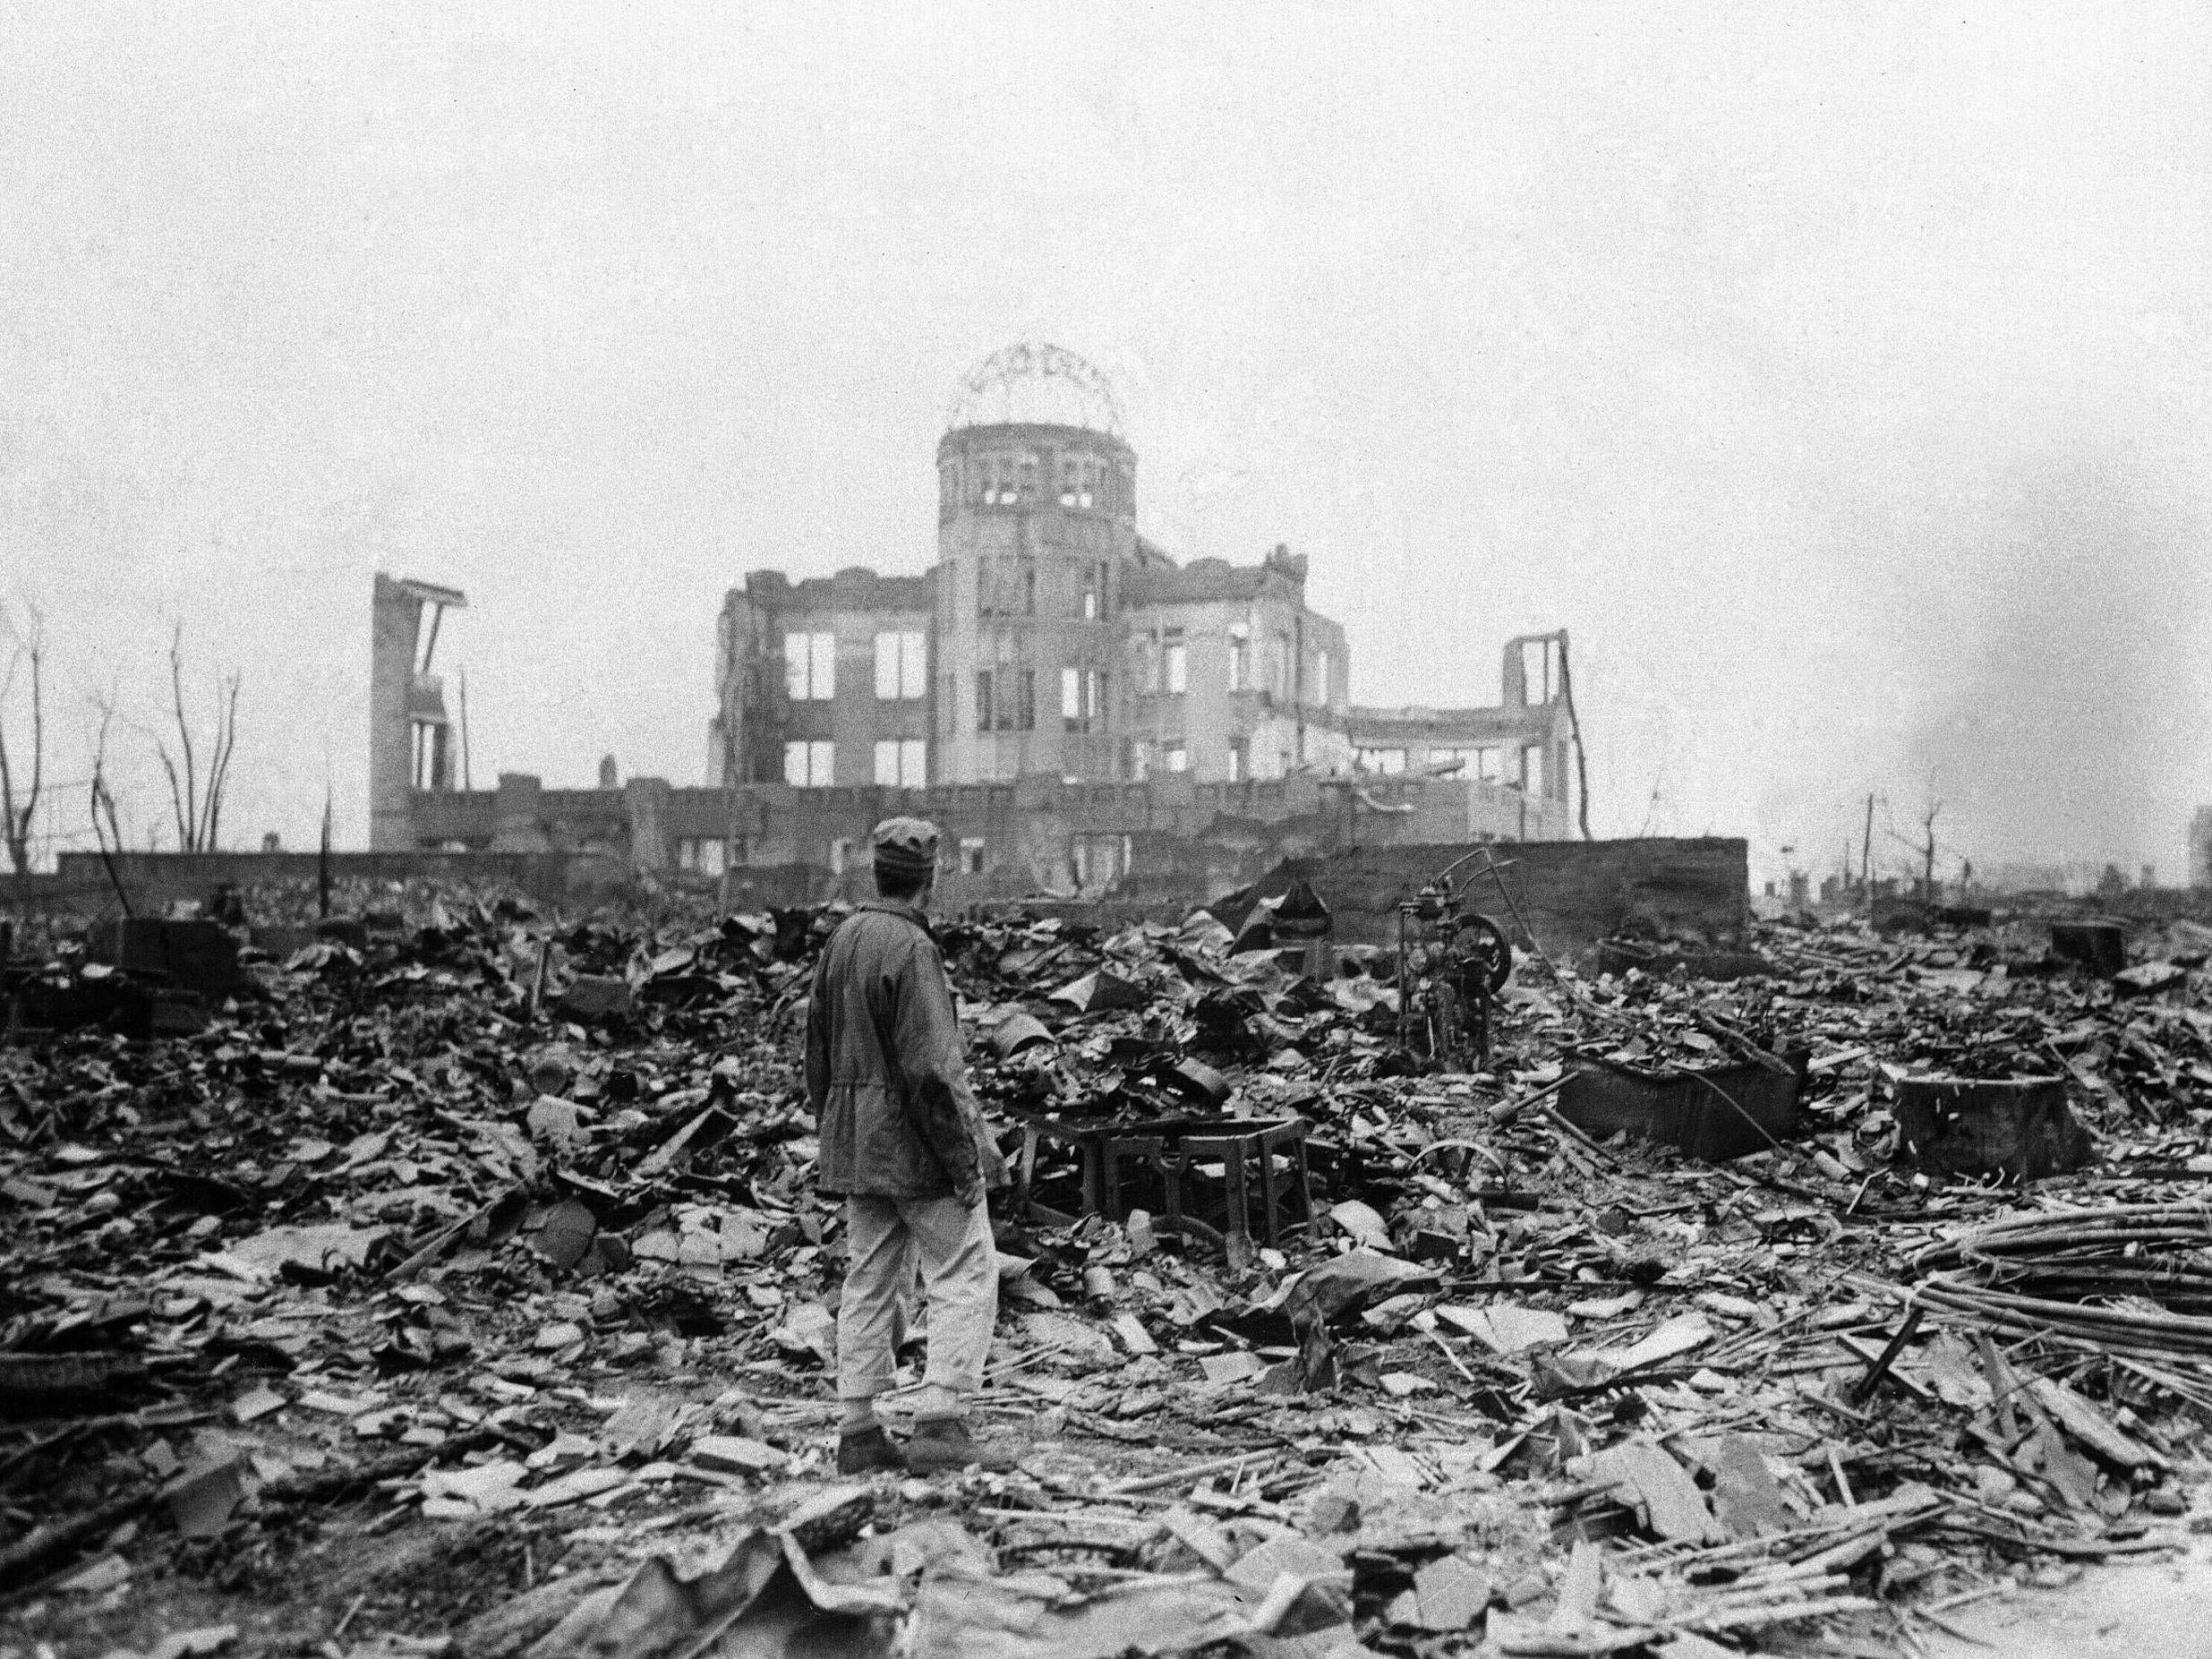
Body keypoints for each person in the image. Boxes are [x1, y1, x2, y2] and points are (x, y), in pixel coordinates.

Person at [806, 816, 1012, 1474]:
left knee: (869, 1275)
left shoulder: (841, 940)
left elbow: (815, 1052)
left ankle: (858, 1428)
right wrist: (965, 1161)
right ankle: (940, 1419)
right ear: (930, 877)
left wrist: (837, 1128)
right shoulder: (912, 949)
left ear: (877, 871)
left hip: (857, 1145)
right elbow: (931, 1070)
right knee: (962, 1266)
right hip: (914, 1147)